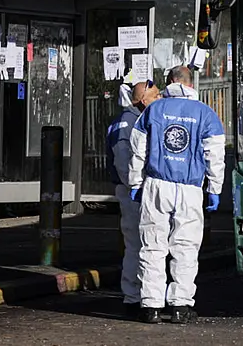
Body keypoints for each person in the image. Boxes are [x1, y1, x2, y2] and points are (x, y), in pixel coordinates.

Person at [128, 66, 225, 324]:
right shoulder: (206, 114)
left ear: (170, 82)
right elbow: (215, 155)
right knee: (186, 247)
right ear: (190, 83)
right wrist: (214, 189)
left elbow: (138, 150)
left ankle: (151, 306)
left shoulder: (153, 111)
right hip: (190, 188)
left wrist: (135, 183)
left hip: (157, 184)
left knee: (152, 246)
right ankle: (181, 305)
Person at [105, 81, 160, 317]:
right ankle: (132, 296)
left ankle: (139, 294)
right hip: (132, 192)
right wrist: (137, 187)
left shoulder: (136, 119)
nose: (160, 99)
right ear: (143, 100)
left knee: (143, 245)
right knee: (137, 245)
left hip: (139, 189)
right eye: (156, 96)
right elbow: (123, 163)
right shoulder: (127, 124)